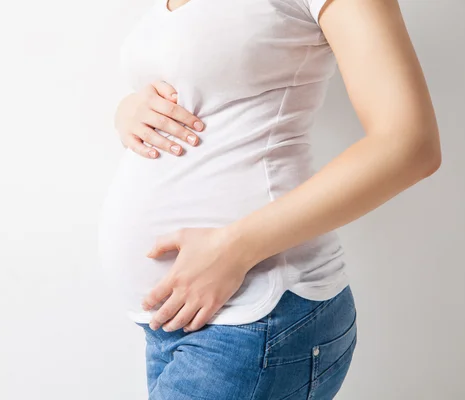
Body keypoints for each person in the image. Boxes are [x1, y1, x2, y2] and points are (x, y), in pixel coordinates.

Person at [97, 0, 441, 398]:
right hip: (177, 322)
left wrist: (234, 249)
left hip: (258, 313)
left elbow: (409, 144)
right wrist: (127, 111)